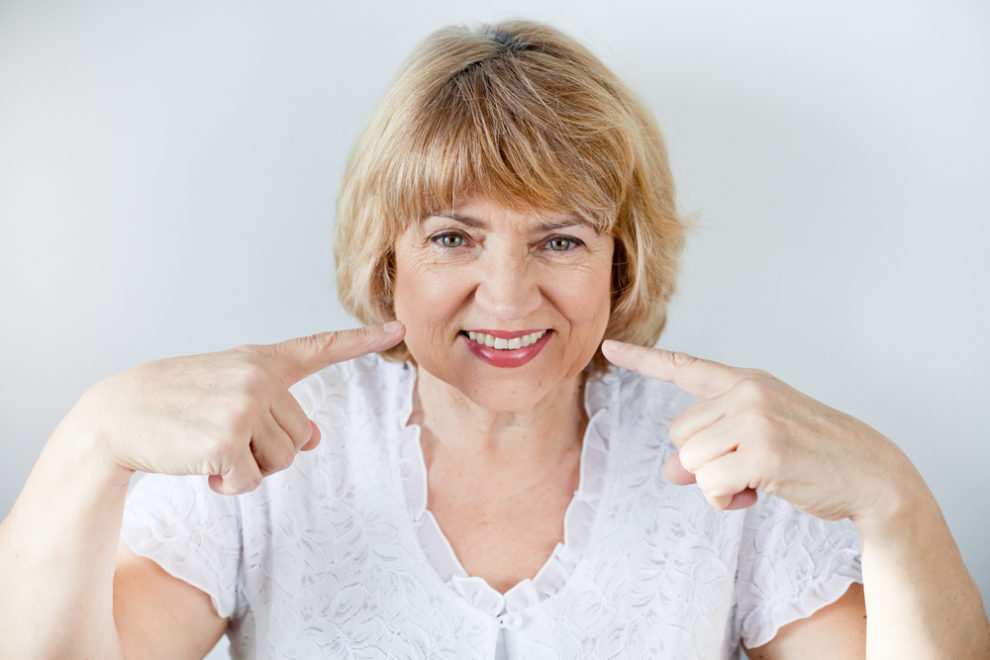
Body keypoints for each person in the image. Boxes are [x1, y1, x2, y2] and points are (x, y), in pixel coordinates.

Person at [1, 18, 987, 660]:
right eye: (453, 236)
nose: (508, 296)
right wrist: (87, 445)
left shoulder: (727, 468)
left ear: (620, 258)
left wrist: (891, 499)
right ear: (389, 258)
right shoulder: (270, 457)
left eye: (559, 238)